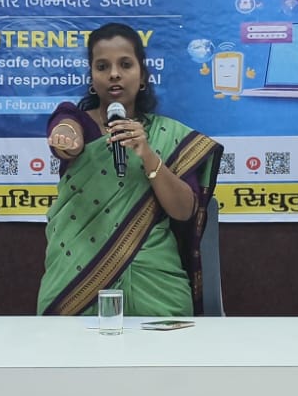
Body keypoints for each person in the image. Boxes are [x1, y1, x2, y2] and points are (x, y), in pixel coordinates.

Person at [38, 23, 222, 317]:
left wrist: (146, 154)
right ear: (92, 78)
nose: (114, 74)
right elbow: (66, 133)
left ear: (143, 76)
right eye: (102, 66)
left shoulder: (168, 136)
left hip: (156, 282)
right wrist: (66, 137)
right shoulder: (77, 120)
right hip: (78, 280)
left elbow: (184, 211)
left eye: (125, 64)